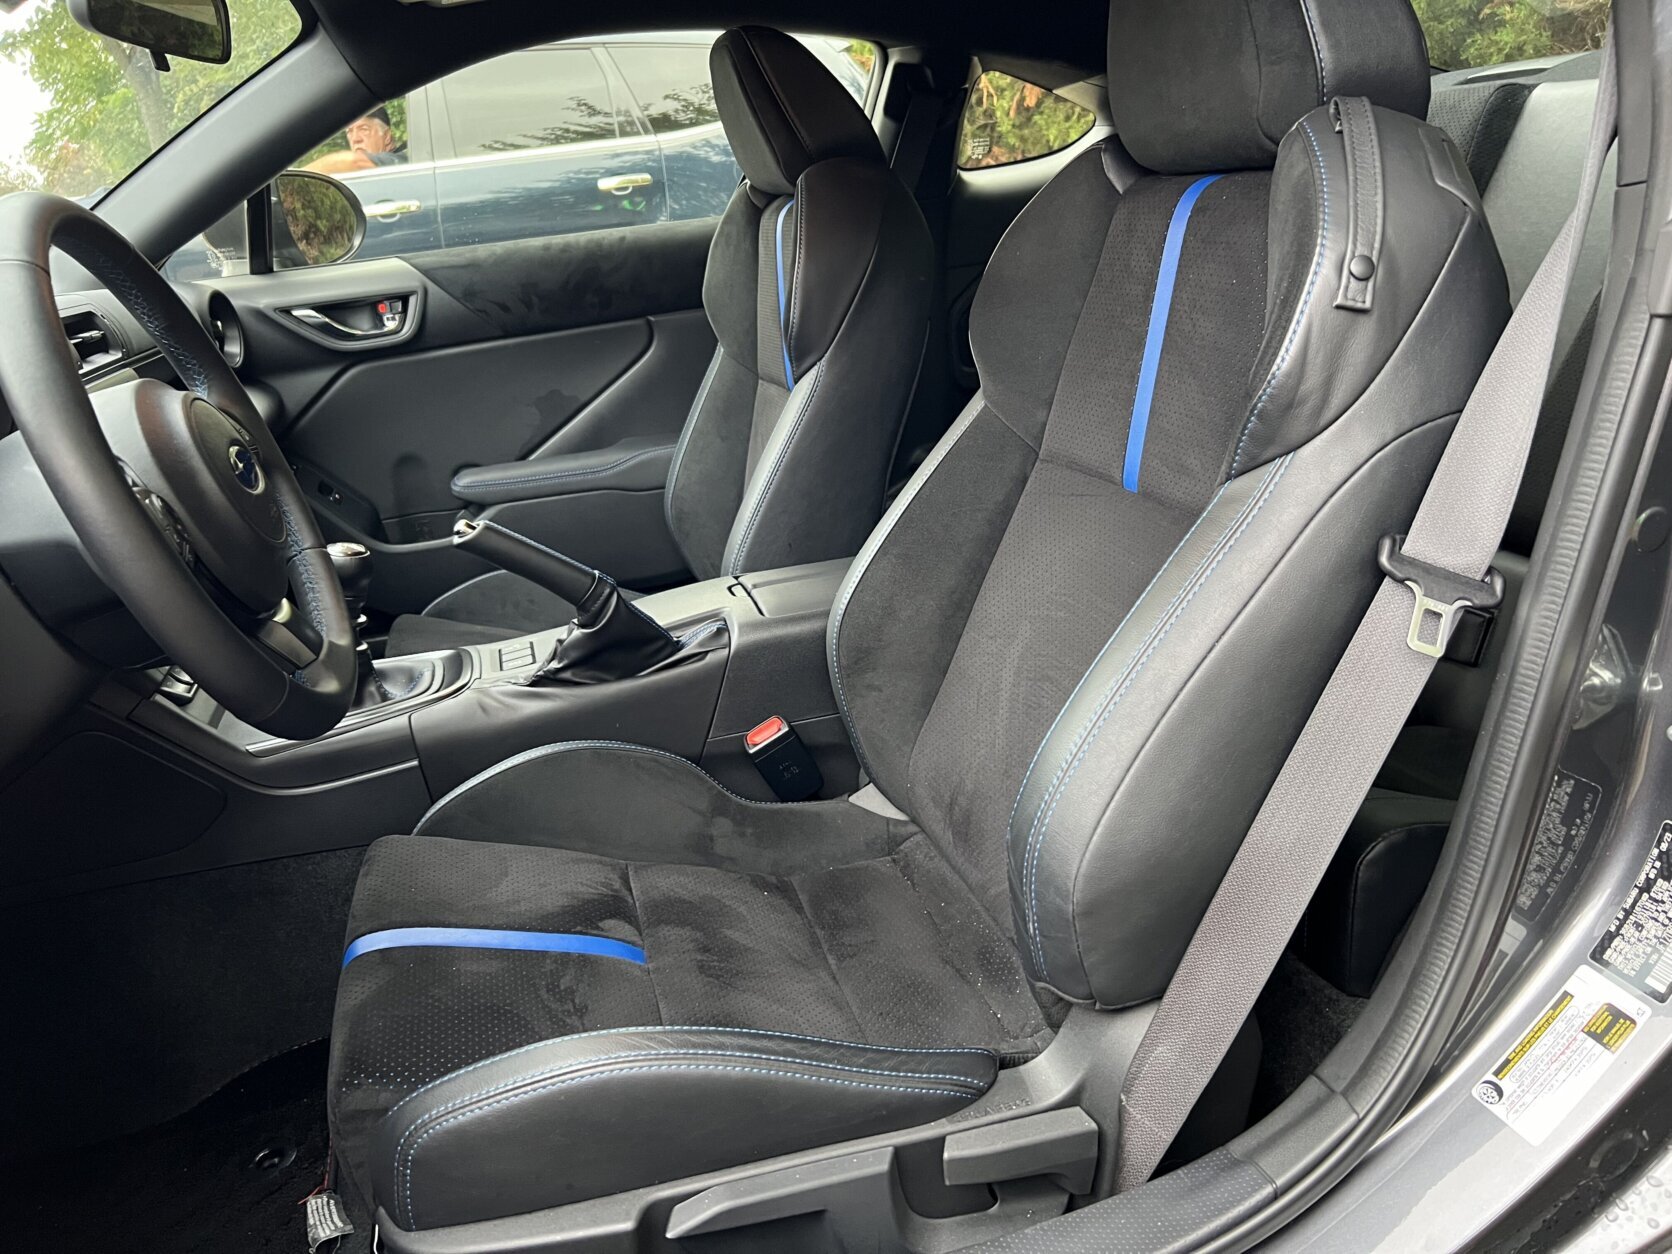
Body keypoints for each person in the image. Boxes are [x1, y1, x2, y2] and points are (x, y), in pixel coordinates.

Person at [303, 107, 407, 175]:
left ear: (387, 136)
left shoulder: (406, 159)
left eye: (363, 129)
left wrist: (299, 177)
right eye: (349, 132)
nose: (355, 139)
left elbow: (355, 162)